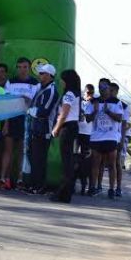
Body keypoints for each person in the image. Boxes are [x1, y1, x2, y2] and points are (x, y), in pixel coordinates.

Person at [1, 57, 39, 190]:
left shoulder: (35, 83)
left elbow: (36, 103)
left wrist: (27, 100)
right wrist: (5, 124)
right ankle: (4, 179)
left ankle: (20, 180)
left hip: (27, 121)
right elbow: (6, 104)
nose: (22, 70)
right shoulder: (10, 82)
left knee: (23, 152)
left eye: (25, 67)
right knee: (8, 151)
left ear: (29, 68)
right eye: (19, 67)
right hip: (11, 119)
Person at [86, 79, 123, 198]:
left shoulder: (116, 102)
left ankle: (111, 189)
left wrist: (108, 111)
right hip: (96, 137)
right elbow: (88, 119)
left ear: (109, 88)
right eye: (100, 87)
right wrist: (96, 111)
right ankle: (93, 187)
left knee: (112, 164)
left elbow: (119, 118)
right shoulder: (93, 102)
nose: (103, 90)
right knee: (95, 163)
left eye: (105, 87)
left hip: (111, 137)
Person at [50, 69, 81, 203]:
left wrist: (56, 128)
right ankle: (65, 192)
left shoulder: (68, 94)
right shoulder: (76, 93)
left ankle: (63, 192)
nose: (61, 82)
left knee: (66, 162)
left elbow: (64, 112)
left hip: (67, 127)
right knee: (68, 160)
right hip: (73, 126)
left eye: (62, 79)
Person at [27, 63, 59, 194]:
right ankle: (34, 185)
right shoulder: (41, 88)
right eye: (39, 73)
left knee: (40, 158)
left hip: (45, 129)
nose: (39, 75)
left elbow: (44, 112)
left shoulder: (51, 90)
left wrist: (28, 110)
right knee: (34, 157)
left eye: (42, 73)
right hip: (35, 128)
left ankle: (39, 186)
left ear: (49, 75)